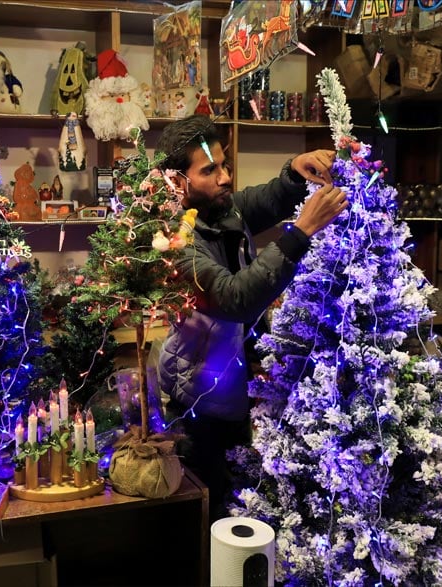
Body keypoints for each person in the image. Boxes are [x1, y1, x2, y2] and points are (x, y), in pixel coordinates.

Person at [156, 114, 347, 520]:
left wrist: (295, 172)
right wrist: (300, 231)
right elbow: (234, 298)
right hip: (202, 399)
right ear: (178, 183)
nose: (225, 177)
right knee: (211, 506)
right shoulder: (175, 240)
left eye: (225, 165)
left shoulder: (221, 210)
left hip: (234, 385)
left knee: (240, 495)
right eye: (209, 170)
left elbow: (266, 199)